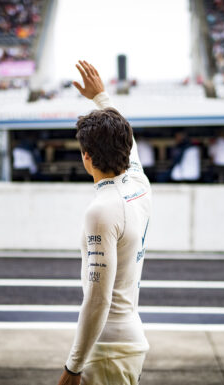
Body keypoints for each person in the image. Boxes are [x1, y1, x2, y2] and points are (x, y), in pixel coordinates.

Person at [58, 61, 151, 385]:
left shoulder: (101, 210)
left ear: (85, 156)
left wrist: (73, 367)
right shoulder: (139, 184)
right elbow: (128, 139)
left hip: (109, 348)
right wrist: (101, 97)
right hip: (126, 341)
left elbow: (98, 298)